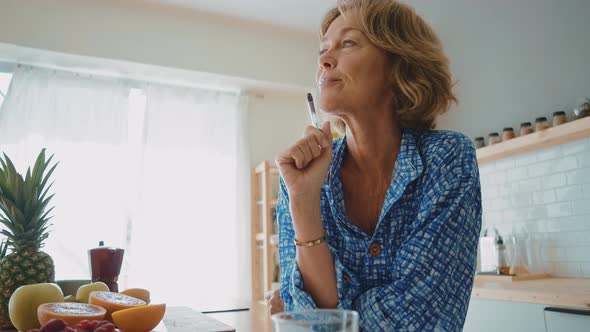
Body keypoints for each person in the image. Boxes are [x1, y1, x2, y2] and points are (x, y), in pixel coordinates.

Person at [270, 0, 482, 330]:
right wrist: (302, 201)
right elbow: (306, 326)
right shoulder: (295, 181)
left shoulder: (448, 159)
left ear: (398, 63)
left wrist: (331, 313)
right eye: (323, 50)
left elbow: (419, 319)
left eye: (348, 43)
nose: (324, 61)